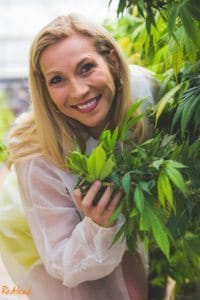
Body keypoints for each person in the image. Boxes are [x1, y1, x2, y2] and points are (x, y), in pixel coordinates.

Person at [2, 13, 160, 300]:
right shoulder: (38, 156)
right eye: (57, 79)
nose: (78, 91)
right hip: (54, 247)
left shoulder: (145, 91)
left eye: (86, 68)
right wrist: (99, 226)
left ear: (111, 58)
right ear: (44, 89)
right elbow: (63, 263)